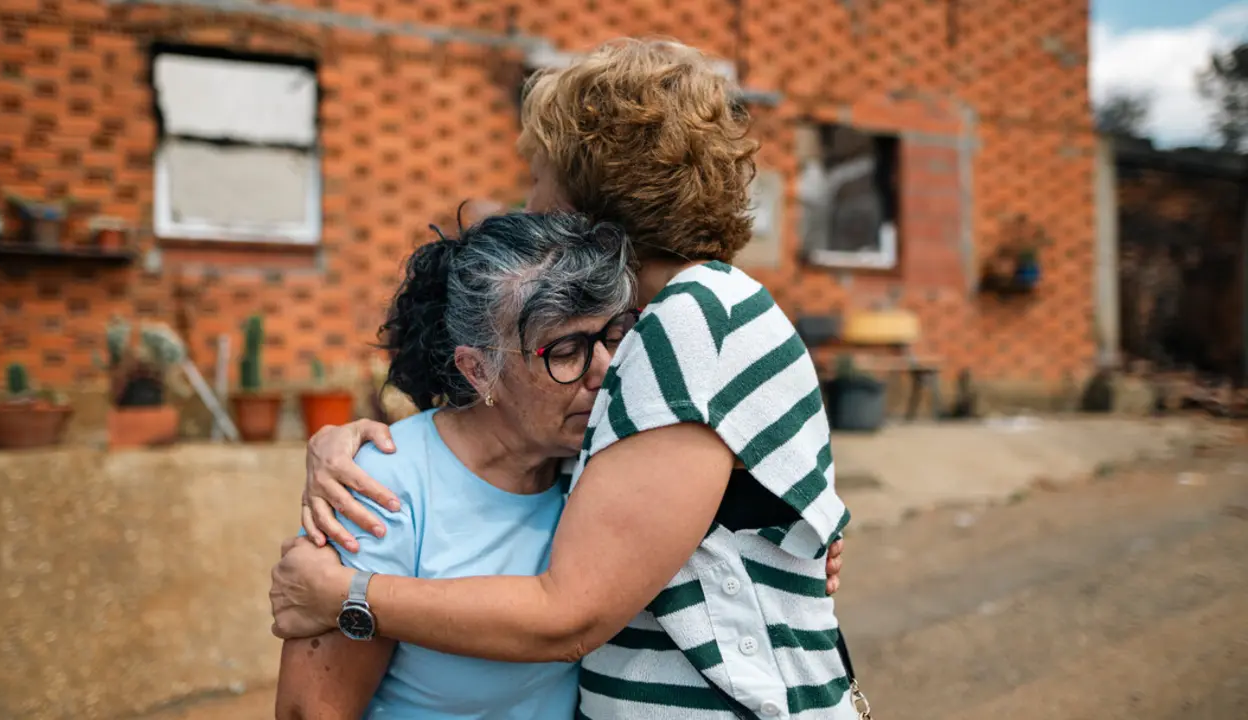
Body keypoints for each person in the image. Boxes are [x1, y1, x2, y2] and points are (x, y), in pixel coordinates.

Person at [272, 38, 858, 719]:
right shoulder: (660, 324)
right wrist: (349, 446)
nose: (530, 198)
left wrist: (349, 595)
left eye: (539, 172)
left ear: (590, 190)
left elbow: (571, 613)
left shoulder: (691, 322)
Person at [275, 211, 637, 719]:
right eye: (566, 350)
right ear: (478, 368)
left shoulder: (602, 460)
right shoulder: (381, 488)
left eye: (613, 336)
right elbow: (312, 710)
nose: (603, 371)